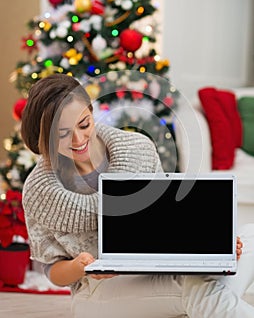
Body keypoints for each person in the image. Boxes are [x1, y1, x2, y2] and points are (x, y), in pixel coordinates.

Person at [21, 73, 254, 318]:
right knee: (196, 289)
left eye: (84, 124)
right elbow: (52, 270)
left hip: (158, 270)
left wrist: (216, 246)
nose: (78, 140)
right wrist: (80, 267)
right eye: (62, 134)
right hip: (97, 291)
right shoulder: (40, 191)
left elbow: (168, 221)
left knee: (248, 239)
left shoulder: (138, 148)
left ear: (92, 112)